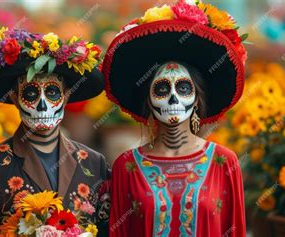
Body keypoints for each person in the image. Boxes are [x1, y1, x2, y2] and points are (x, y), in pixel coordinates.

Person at [103, 1, 247, 236]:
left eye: (182, 88)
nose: (172, 100)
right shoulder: (126, 167)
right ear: (148, 101)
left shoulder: (225, 162)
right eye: (161, 89)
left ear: (197, 100)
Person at [0, 28, 110, 236]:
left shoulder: (94, 164)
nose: (43, 106)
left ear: (66, 96)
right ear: (14, 97)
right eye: (30, 93)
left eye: (52, 92)